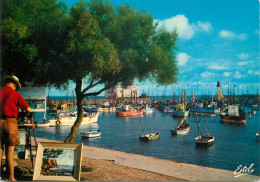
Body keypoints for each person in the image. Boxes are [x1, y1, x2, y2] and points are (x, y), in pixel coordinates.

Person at [0, 75, 32, 181]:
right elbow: (29, 110)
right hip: (11, 123)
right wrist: (24, 116)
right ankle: (11, 177)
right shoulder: (16, 94)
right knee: (9, 153)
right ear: (14, 84)